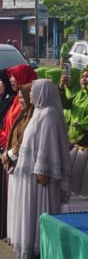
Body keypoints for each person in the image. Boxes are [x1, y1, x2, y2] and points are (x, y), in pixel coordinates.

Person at [10, 79, 71, 259]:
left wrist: (42, 170)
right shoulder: (39, 112)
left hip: (40, 180)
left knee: (38, 214)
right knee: (30, 217)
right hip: (31, 178)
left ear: (43, 92)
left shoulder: (49, 115)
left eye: (33, 91)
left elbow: (47, 146)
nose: (29, 94)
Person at [2, 83, 32, 242]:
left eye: (23, 98)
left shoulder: (33, 117)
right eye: (19, 98)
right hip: (14, 164)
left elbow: (23, 141)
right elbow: (13, 131)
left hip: (23, 167)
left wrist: (8, 156)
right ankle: (13, 235)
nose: (20, 101)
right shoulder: (24, 114)